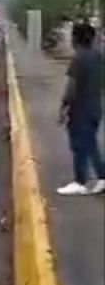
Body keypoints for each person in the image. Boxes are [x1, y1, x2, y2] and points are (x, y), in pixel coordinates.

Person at [56, 21, 105, 195]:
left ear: (76, 38)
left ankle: (82, 181)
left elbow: (72, 87)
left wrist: (63, 108)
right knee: (89, 144)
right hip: (95, 107)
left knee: (80, 146)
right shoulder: (98, 56)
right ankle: (95, 178)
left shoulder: (78, 58)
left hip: (80, 110)